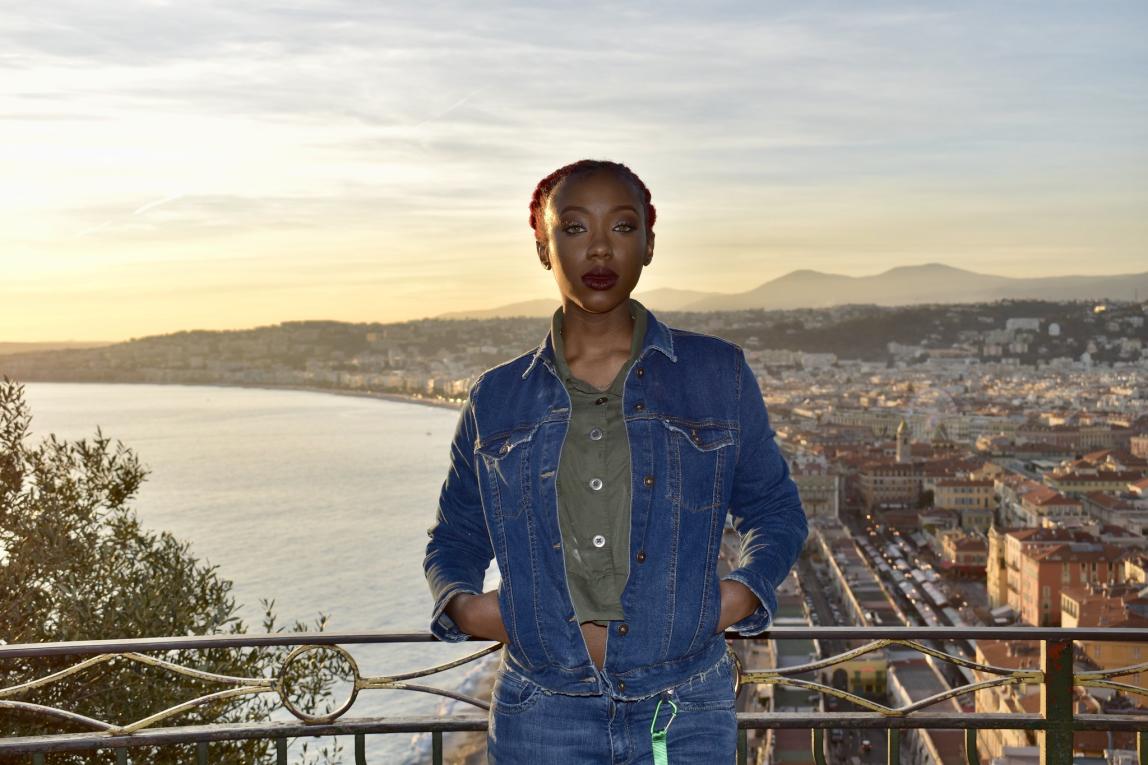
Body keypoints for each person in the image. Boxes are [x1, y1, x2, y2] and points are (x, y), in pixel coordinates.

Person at [423, 159, 808, 763]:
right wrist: (467, 607)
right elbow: (456, 538)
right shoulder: (496, 398)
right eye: (575, 228)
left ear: (649, 245)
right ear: (544, 247)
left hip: (683, 707)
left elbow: (775, 511)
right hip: (541, 714)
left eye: (622, 227)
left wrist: (737, 596)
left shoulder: (717, 375)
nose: (600, 247)